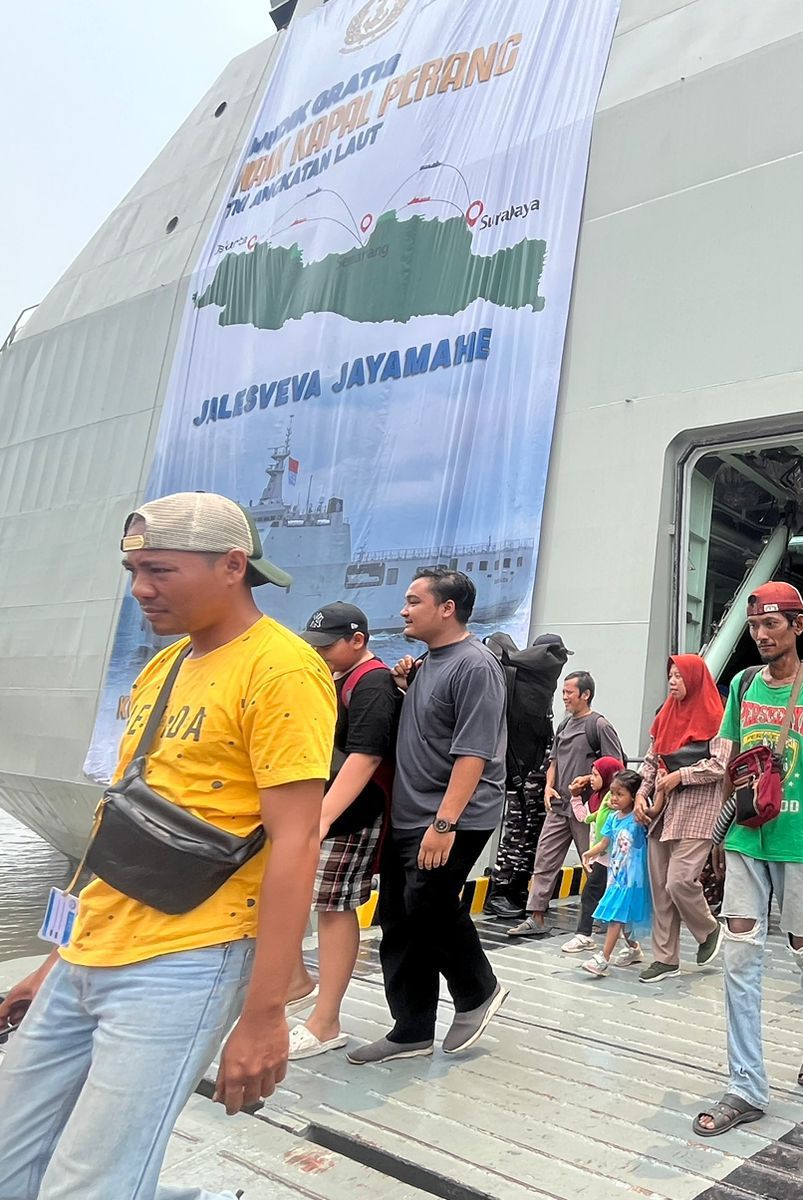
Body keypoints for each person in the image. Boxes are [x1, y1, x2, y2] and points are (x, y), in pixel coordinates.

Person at [0, 492, 333, 1199]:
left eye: (158, 570)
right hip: (89, 951)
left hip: (185, 960)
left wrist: (265, 1012)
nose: (140, 589)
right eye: (132, 571)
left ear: (232, 566)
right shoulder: (165, 667)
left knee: (90, 1186)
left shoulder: (281, 672)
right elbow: (112, 830)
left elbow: (298, 842)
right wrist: (53, 961)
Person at [693, 582, 803, 1138]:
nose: (762, 636)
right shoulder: (740, 685)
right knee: (739, 950)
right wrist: (718, 833)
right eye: (755, 626)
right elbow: (730, 760)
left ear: (798, 626)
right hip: (746, 836)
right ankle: (746, 1084)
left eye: (772, 625)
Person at [347, 569, 509, 1065]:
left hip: (453, 814)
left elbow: (473, 754)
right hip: (412, 811)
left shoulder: (475, 666)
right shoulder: (428, 664)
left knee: (430, 903)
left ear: (447, 608)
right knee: (397, 916)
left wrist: (444, 825)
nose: (403, 610)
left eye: (414, 601)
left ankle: (478, 990)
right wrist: (402, 688)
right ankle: (411, 1028)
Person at [288, 602, 402, 1060]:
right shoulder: (340, 679)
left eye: (327, 645)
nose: (319, 653)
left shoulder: (372, 682)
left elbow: (366, 756)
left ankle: (326, 1019)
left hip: (352, 813)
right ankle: (300, 985)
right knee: (315, 901)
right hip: (332, 808)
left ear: (357, 640)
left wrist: (323, 817)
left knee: (334, 908)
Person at [510, 671, 626, 938]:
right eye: (563, 692)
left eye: (569, 692)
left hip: (589, 812)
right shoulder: (564, 726)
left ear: (585, 695)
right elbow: (554, 761)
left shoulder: (599, 726)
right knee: (545, 859)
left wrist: (586, 781)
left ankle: (603, 917)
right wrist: (549, 787)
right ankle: (536, 916)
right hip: (560, 806)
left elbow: (614, 767)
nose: (564, 697)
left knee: (598, 863)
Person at [638, 654, 729, 982]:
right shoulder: (665, 715)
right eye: (670, 676)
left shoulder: (718, 717)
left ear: (694, 679)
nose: (673, 682)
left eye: (679, 676)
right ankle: (665, 958)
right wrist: (639, 794)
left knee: (680, 880)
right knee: (661, 888)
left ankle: (707, 930)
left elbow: (720, 765)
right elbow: (652, 761)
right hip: (662, 813)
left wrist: (681, 776)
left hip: (699, 810)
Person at [484, 633, 572, 920]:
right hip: (525, 770)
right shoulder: (533, 679)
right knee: (519, 833)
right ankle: (502, 891)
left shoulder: (530, 678)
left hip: (528, 769)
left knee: (528, 832)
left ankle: (514, 891)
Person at [578, 770, 652, 976]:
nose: (614, 798)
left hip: (633, 879)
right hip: (617, 876)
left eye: (620, 794)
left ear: (634, 796)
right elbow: (604, 842)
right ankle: (634, 949)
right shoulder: (613, 818)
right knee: (624, 919)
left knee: (616, 916)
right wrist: (589, 853)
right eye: (612, 793)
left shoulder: (639, 819)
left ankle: (603, 958)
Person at [561, 755, 624, 955]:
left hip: (617, 860)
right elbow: (584, 817)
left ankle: (628, 943)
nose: (592, 779)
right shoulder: (596, 799)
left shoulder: (615, 801)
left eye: (596, 775)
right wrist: (575, 797)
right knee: (591, 894)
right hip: (601, 859)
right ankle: (584, 934)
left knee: (615, 898)